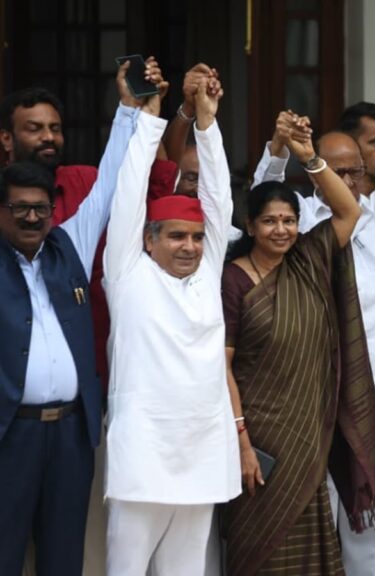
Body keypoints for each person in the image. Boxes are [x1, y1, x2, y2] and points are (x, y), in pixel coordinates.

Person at [251, 80, 375, 576]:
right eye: (342, 170)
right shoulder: (299, 217)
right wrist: (277, 148)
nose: (354, 180)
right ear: (317, 172)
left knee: (369, 501)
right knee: (320, 498)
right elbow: (258, 200)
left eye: (358, 170)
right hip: (315, 382)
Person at [221, 109, 375, 574]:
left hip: (308, 431)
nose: (281, 230)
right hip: (260, 435)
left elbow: (349, 209)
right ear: (250, 226)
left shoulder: (310, 258)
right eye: (269, 221)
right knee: (258, 544)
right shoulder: (234, 280)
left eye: (289, 220)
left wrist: (310, 157)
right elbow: (223, 367)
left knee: (310, 543)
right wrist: (242, 443)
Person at [0, 60, 145, 575]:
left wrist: (130, 110)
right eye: (20, 209)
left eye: (41, 208)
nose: (33, 217)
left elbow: (109, 185)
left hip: (69, 435)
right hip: (8, 435)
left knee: (64, 559)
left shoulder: (70, 245)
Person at [102, 74, 240, 575]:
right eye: (177, 236)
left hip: (202, 447)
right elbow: (128, 191)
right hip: (143, 453)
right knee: (127, 567)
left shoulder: (207, 270)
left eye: (197, 237)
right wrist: (150, 117)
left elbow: (220, 198)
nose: (190, 246)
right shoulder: (127, 273)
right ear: (148, 238)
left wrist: (207, 120)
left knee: (187, 570)